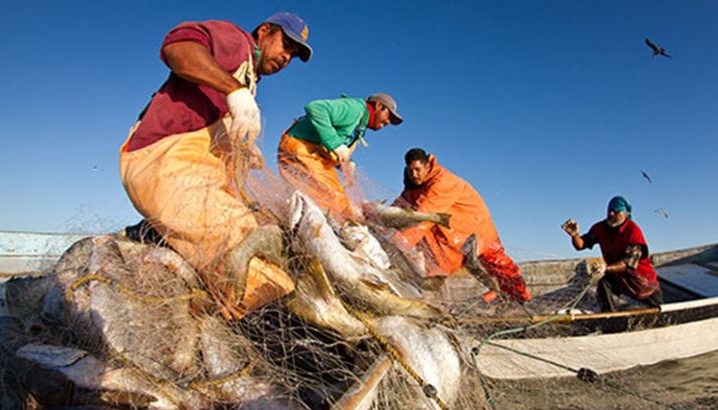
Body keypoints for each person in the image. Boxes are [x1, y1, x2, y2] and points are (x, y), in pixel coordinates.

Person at [119, 12, 313, 318]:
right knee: (250, 262)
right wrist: (234, 90)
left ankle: (155, 236)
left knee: (264, 233)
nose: (287, 57)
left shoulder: (249, 77)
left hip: (196, 172)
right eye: (286, 45)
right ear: (264, 31)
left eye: (294, 55)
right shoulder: (236, 41)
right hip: (164, 162)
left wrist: (242, 150)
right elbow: (178, 46)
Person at [392, 148, 532, 303]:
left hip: (476, 229)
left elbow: (424, 216)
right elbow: (402, 206)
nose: (414, 174)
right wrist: (376, 214)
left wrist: (400, 242)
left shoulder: (442, 182)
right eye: (410, 170)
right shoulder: (416, 185)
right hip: (454, 237)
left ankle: (521, 300)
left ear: (427, 166)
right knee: (465, 268)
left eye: (417, 170)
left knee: (498, 265)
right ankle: (499, 296)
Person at [278, 93, 403, 223]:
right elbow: (315, 108)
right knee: (333, 199)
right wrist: (336, 145)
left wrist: (344, 164)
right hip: (299, 146)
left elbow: (332, 148)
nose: (388, 122)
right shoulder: (354, 108)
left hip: (315, 155)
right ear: (378, 106)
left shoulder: (361, 126)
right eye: (389, 116)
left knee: (339, 201)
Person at [561, 196, 662, 311]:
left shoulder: (633, 232)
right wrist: (575, 235)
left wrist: (605, 268)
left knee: (655, 309)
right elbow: (581, 245)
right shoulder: (600, 228)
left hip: (641, 281)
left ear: (625, 214)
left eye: (616, 211)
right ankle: (609, 316)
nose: (611, 214)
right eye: (609, 210)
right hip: (618, 277)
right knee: (605, 284)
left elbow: (628, 263)